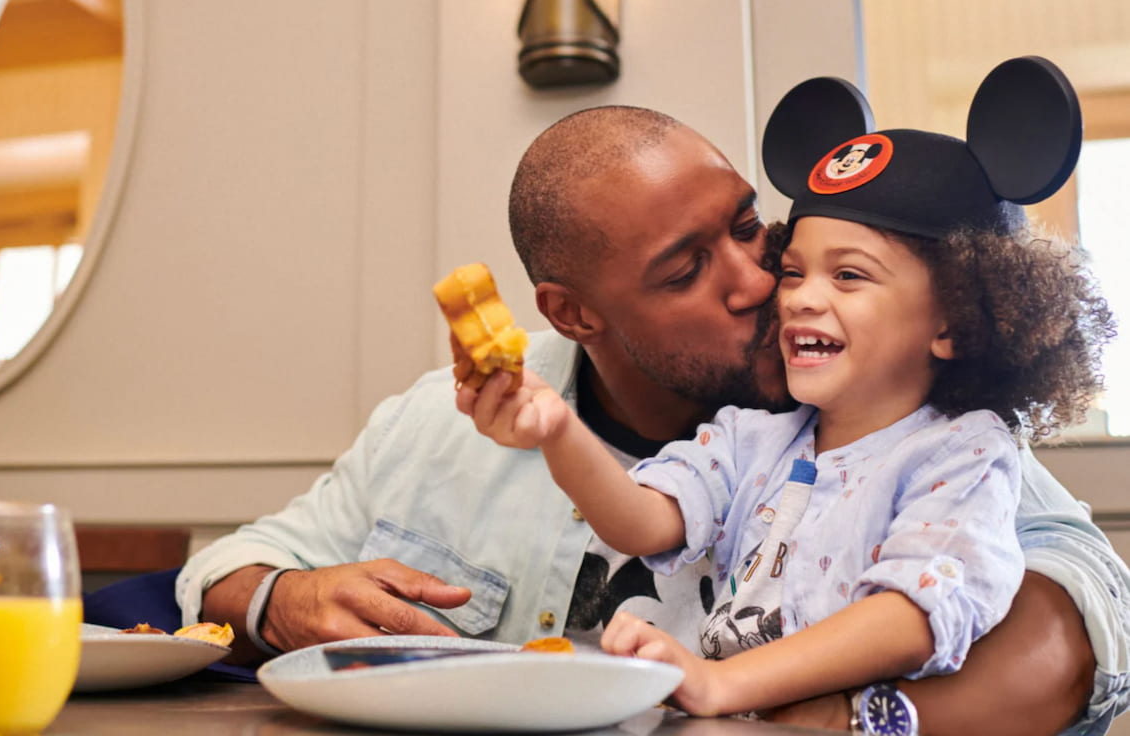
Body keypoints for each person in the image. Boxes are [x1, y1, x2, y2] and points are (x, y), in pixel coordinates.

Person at [176, 101, 1130, 733]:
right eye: (686, 270)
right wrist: (282, 600)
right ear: (573, 313)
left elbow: (1081, 616)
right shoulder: (436, 422)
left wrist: (820, 716)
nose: (763, 281)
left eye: (753, 227)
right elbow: (223, 571)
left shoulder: (894, 421)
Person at [457, 61, 1114, 724]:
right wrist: (557, 432)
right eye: (795, 269)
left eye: (849, 276)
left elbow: (913, 614)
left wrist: (725, 684)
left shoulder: (964, 454)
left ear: (954, 320)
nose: (794, 296)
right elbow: (642, 519)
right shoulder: (754, 437)